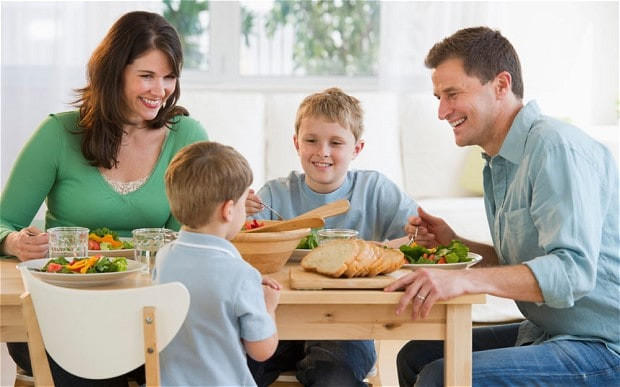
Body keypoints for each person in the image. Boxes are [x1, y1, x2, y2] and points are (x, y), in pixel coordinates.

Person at [385, 26, 620, 386]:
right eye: (438, 97)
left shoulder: (553, 148)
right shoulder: (498, 162)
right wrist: (455, 244)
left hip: (602, 346)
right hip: (547, 330)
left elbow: (572, 272)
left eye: (452, 94)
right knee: (416, 356)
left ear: (500, 85)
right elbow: (525, 264)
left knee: (440, 376)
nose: (441, 111)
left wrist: (463, 280)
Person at [0, 11, 208, 385]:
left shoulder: (187, 136)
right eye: (146, 75)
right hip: (63, 310)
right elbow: (4, 222)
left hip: (149, 312)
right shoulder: (58, 134)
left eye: (169, 77)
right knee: (91, 364)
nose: (160, 90)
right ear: (113, 72)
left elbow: (191, 239)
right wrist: (14, 240)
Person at [245, 87, 420, 386]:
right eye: (311, 140)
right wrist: (238, 212)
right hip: (278, 323)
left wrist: (385, 247)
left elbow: (417, 237)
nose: (322, 151)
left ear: (356, 149)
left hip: (346, 327)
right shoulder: (275, 193)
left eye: (336, 142)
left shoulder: (374, 189)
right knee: (233, 368)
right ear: (296, 143)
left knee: (333, 377)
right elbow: (241, 246)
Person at [154, 141, 280, 386]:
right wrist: (268, 307)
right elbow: (262, 350)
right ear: (228, 210)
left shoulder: (164, 257)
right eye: (244, 203)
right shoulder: (242, 275)